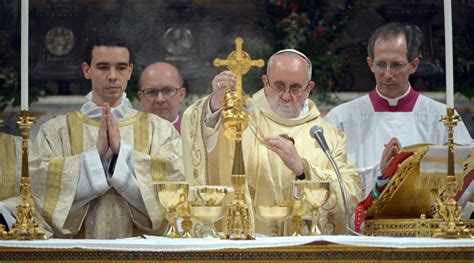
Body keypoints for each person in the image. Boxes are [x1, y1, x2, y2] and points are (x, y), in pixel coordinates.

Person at [181, 49, 362, 235]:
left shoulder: (327, 135)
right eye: (279, 86)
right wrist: (215, 102)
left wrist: (303, 170)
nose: (285, 95)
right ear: (265, 83)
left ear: (309, 89)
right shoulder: (240, 118)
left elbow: (350, 191)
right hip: (242, 245)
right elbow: (201, 132)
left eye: (295, 88)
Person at [29, 34, 184, 239]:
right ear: (87, 70)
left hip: (143, 255)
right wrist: (94, 156)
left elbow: (176, 187)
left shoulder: (160, 130)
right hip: (76, 254)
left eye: (120, 67)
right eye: (103, 67)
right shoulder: (55, 131)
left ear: (129, 71)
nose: (112, 75)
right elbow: (40, 187)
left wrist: (123, 153)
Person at [324, 22, 473, 199]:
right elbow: (329, 180)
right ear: (370, 64)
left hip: (424, 223)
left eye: (396, 65)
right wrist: (380, 172)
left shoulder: (442, 118)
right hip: (361, 225)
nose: (387, 74)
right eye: (380, 64)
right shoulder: (341, 118)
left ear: (414, 65)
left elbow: (466, 176)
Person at [138, 62, 186, 133]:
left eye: (168, 91)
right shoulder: (125, 139)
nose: (160, 99)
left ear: (181, 95)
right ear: (141, 97)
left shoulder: (196, 138)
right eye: (151, 92)